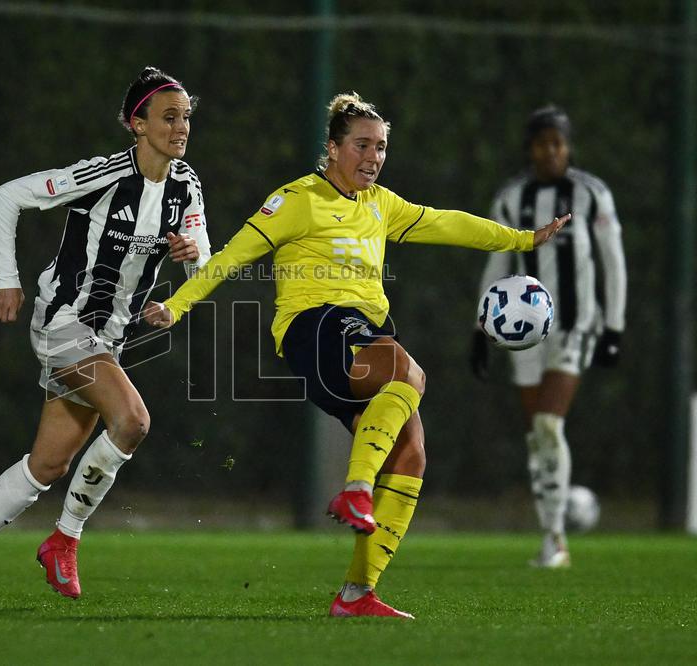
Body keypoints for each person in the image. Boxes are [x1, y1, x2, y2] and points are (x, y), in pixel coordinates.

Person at [144, 92, 567, 619]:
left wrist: (523, 238)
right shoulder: (298, 199)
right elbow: (231, 257)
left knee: (412, 450)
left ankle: (356, 594)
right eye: (362, 145)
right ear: (333, 148)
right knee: (406, 370)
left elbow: (448, 223)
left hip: (358, 334)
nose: (374, 157)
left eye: (382, 147)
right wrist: (177, 306)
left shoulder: (381, 205)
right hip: (313, 328)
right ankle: (357, 487)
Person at [0, 66, 210, 608]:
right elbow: (8, 196)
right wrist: (6, 280)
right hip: (64, 322)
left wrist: (194, 260)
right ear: (136, 123)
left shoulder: (186, 186)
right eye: (168, 117)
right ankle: (64, 539)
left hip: (110, 336)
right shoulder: (103, 174)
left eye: (186, 117)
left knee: (47, 465)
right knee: (133, 420)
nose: (181, 127)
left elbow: (205, 262)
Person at [470, 105, 626, 568]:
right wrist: (479, 330)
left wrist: (614, 327)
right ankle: (551, 531)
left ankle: (555, 538)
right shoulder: (511, 198)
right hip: (525, 334)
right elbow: (497, 264)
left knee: (548, 425)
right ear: (530, 148)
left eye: (557, 142)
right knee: (536, 436)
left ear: (568, 146)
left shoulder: (591, 194)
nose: (550, 150)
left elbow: (612, 261)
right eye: (542, 142)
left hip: (577, 324)